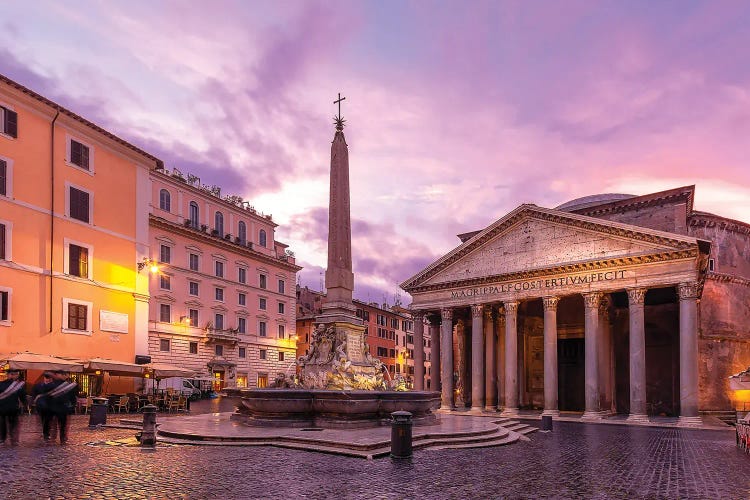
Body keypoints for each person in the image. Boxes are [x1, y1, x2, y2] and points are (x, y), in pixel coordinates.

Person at [45, 370, 78, 444]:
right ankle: (62, 440)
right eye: (63, 374)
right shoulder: (69, 385)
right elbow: (72, 397)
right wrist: (72, 405)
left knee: (54, 424)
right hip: (62, 407)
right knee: (62, 425)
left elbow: (47, 396)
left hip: (52, 407)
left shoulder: (51, 384)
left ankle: (53, 439)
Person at [0, 368, 26, 446]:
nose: (16, 376)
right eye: (14, 374)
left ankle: (5, 439)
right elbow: (23, 397)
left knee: (6, 424)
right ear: (9, 375)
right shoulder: (18, 385)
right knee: (8, 424)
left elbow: (22, 396)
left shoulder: (1, 384)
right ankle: (9, 439)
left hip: (7, 407)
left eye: (16, 374)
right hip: (8, 407)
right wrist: (24, 404)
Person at [32, 372, 55, 441]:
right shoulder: (38, 385)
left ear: (51, 379)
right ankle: (46, 433)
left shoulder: (54, 386)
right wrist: (35, 401)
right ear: (44, 378)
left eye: (48, 378)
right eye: (46, 378)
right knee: (44, 419)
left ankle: (46, 433)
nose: (47, 379)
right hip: (41, 406)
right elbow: (33, 393)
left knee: (48, 420)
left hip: (50, 406)